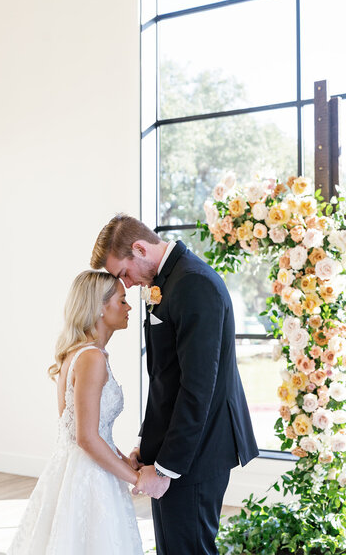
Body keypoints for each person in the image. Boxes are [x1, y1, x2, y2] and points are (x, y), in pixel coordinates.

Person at [91, 215, 259, 555]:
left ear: (139, 249)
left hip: (196, 451)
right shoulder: (172, 281)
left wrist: (166, 467)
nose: (127, 284)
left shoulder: (194, 283)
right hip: (176, 450)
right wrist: (149, 446)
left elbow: (198, 388)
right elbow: (165, 380)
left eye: (123, 273)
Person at [7, 270, 143, 555]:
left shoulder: (79, 354)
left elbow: (90, 432)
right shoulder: (91, 358)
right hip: (89, 477)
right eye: (122, 301)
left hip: (78, 469)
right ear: (100, 308)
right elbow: (86, 438)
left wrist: (125, 463)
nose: (129, 307)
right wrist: (137, 480)